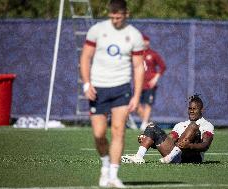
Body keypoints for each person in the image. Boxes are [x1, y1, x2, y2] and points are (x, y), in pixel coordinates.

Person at [80, 0, 145, 188]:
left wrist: (137, 95)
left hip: (121, 89)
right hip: (98, 89)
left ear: (126, 13)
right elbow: (85, 57)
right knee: (99, 134)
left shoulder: (134, 35)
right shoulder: (97, 30)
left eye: (118, 16)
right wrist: (86, 84)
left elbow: (138, 67)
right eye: (112, 16)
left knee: (118, 130)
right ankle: (105, 165)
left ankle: (114, 175)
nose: (115, 19)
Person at [121, 95, 214, 164]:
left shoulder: (207, 125)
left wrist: (190, 146)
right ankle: (139, 157)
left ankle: (170, 157)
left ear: (201, 110)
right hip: (178, 157)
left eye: (194, 109)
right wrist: (149, 140)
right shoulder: (180, 125)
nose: (191, 111)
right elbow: (170, 139)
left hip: (193, 158)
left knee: (193, 126)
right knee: (152, 127)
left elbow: (205, 145)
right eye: (190, 108)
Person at [135, 35, 166, 131]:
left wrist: (155, 78)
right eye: (142, 41)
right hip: (138, 84)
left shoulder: (153, 54)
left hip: (150, 84)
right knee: (136, 105)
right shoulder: (136, 54)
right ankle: (148, 122)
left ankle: (144, 124)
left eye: (146, 41)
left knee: (148, 104)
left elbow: (163, 67)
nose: (144, 43)